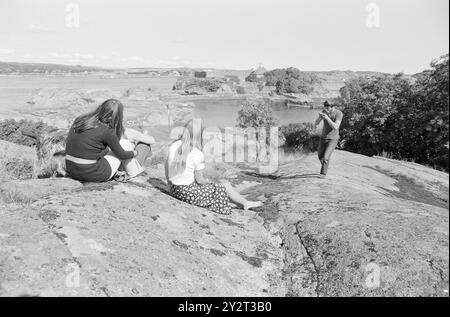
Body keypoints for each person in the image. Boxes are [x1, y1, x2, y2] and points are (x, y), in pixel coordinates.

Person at [165, 119, 263, 214]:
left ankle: (240, 203)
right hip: (188, 194)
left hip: (174, 190)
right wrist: (210, 181)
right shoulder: (197, 153)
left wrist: (169, 185)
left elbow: (166, 168)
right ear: (199, 135)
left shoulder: (174, 145)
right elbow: (200, 180)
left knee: (216, 186)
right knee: (224, 184)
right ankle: (245, 203)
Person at [65, 99, 154, 182]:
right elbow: (122, 155)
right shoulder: (107, 130)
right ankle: (133, 173)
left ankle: (120, 172)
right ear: (117, 116)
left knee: (111, 150)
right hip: (93, 174)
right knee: (125, 143)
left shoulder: (81, 119)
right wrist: (135, 153)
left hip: (72, 170)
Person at [314, 101, 343, 177]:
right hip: (323, 137)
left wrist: (327, 118)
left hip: (333, 139)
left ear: (333, 107)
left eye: (328, 108)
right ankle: (325, 165)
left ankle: (323, 173)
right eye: (325, 107)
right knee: (320, 155)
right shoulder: (324, 112)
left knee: (326, 157)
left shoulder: (339, 113)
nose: (326, 109)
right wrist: (320, 117)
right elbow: (316, 123)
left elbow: (336, 126)